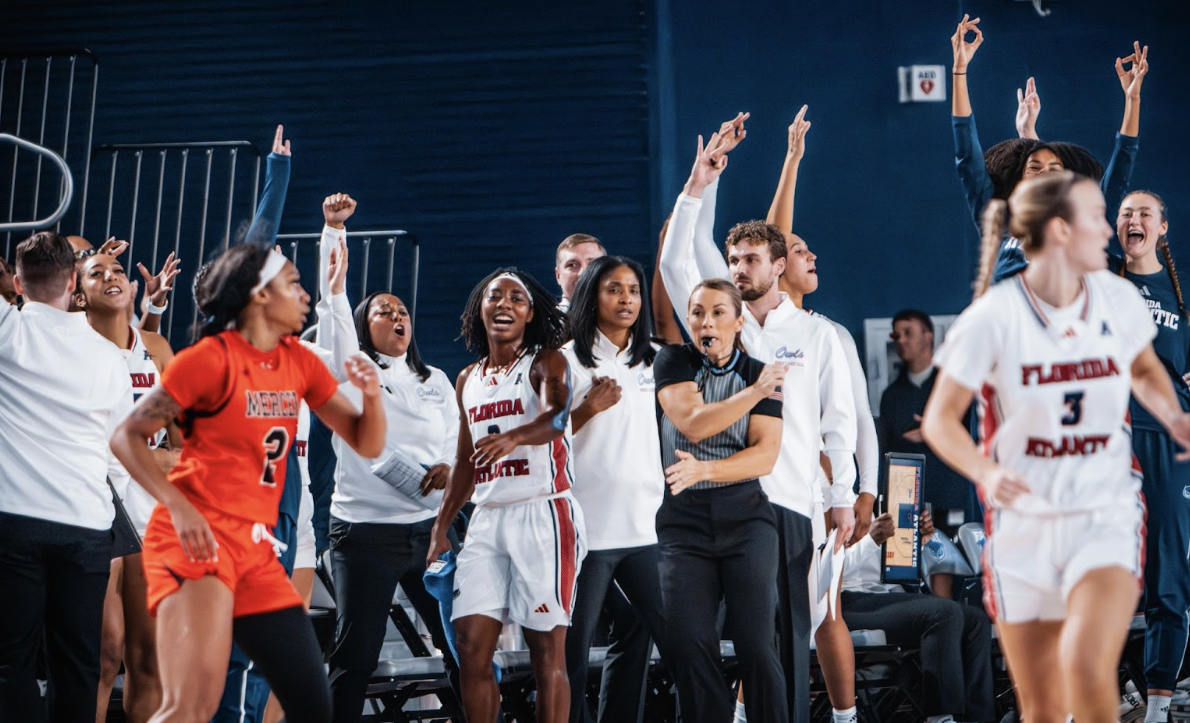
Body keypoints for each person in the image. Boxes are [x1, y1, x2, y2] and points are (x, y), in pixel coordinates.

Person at [921, 171, 1190, 723]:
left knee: (1092, 673)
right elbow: (940, 420)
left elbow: (1144, 366)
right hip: (1026, 520)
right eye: (1099, 215)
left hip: (1104, 511)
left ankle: (1151, 701)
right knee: (1043, 706)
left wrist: (1175, 417)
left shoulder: (1117, 296)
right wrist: (985, 472)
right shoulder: (993, 315)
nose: (1113, 227)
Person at [109, 242, 387, 723]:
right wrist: (177, 505)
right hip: (194, 542)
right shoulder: (207, 359)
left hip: (255, 548)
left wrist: (372, 395)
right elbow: (126, 437)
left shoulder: (298, 360)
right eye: (294, 284)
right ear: (260, 294)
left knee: (313, 703)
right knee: (190, 707)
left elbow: (366, 442)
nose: (304, 296)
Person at [659, 121, 858, 723]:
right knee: (730, 643)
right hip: (722, 500)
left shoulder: (819, 334)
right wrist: (700, 183)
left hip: (793, 500)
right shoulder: (720, 321)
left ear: (779, 265)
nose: (739, 268)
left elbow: (839, 423)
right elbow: (675, 258)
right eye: (733, 259)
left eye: (751, 259)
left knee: (789, 643)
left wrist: (842, 497)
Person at [313, 194, 463, 723]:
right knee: (354, 657)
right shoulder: (351, 370)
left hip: (430, 532)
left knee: (462, 647)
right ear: (363, 325)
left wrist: (445, 470)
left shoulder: (435, 379)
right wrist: (334, 233)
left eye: (403, 311)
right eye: (384, 310)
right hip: (365, 536)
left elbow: (454, 434)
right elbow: (332, 307)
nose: (398, 316)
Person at [426, 268, 582, 723]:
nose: (505, 304)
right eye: (495, 296)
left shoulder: (546, 362)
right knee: (471, 647)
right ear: (480, 308)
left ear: (531, 313)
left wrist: (513, 438)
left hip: (543, 513)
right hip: (487, 518)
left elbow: (557, 419)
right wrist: (440, 527)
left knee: (545, 650)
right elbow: (464, 463)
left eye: (517, 298)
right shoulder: (467, 379)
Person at [0, 231, 132, 723]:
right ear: (74, 281)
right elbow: (120, 453)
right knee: (76, 666)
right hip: (86, 530)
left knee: (9, 662)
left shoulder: (8, 331)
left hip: (14, 526)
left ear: (18, 283)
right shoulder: (111, 358)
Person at [653, 278, 787, 723]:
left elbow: (764, 456)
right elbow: (692, 423)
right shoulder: (673, 360)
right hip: (682, 523)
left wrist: (705, 470)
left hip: (746, 517)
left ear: (738, 320)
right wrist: (754, 394)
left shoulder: (759, 370)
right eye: (696, 312)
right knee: (689, 642)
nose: (705, 321)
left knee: (755, 643)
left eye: (717, 312)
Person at [950, 14, 1146, 282]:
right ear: (1020, 178)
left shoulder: (1081, 222)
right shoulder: (999, 218)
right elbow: (966, 154)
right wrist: (959, 70)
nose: (1044, 173)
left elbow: (1122, 164)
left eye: (1055, 168)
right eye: (1034, 167)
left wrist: (1132, 98)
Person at [561, 255, 670, 723]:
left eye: (633, 290)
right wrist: (587, 408)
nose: (626, 299)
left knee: (663, 635)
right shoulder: (563, 361)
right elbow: (536, 438)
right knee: (570, 651)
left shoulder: (660, 358)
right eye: (613, 289)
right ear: (591, 295)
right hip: (585, 531)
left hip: (645, 529)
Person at [73, 250, 178, 723]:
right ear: (78, 293)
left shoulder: (156, 347)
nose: (112, 276)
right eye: (97, 273)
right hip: (97, 506)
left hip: (151, 509)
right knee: (103, 651)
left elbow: (184, 442)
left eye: (117, 270)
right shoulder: (73, 347)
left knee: (149, 655)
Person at [1114, 190, 1190, 722]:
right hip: (1109, 441)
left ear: (1163, 229)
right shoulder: (1099, 283)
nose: (1133, 219)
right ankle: (1105, 688)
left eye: (1144, 213)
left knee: (1168, 579)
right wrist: (1029, 138)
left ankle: (1159, 704)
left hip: (1169, 446)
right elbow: (1044, 215)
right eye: (1124, 213)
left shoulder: (1182, 301)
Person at [842, 510, 995, 723]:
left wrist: (915, 540)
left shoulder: (874, 503)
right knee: (944, 614)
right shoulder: (830, 506)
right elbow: (824, 571)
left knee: (976, 620)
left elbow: (890, 563)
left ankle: (979, 717)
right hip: (844, 600)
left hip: (885, 595)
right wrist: (870, 541)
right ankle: (941, 717)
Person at [880, 309, 981, 533]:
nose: (902, 340)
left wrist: (935, 429)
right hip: (907, 506)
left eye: (908, 332)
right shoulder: (891, 396)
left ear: (928, 336)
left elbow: (974, 440)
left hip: (952, 499)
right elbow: (886, 451)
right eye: (897, 335)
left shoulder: (954, 385)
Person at [555, 233, 606, 312]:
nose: (583, 273)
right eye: (572, 265)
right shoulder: (545, 323)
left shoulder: (624, 320)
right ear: (558, 276)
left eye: (592, 264)